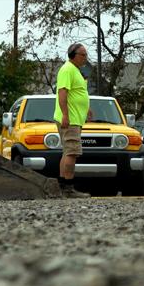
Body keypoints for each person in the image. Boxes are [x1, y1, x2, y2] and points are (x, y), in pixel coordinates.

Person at [52, 42, 91, 199]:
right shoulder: (67, 69)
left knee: (67, 152)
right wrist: (65, 115)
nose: (85, 58)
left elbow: (77, 93)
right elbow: (62, 94)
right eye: (83, 55)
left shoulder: (75, 71)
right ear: (73, 55)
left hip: (75, 118)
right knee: (72, 152)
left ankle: (62, 187)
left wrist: (86, 108)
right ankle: (68, 189)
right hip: (71, 119)